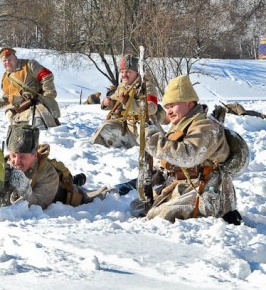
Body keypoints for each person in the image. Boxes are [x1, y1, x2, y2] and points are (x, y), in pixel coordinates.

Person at [133, 75, 240, 223]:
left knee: (159, 218)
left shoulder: (205, 126)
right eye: (167, 107)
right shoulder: (183, 125)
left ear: (189, 102)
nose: (169, 111)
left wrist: (151, 138)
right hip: (186, 185)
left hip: (208, 190)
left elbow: (188, 155)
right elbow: (172, 158)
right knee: (138, 208)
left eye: (172, 105)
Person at [5, 124, 106, 209]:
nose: (16, 161)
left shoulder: (48, 174)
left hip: (68, 197)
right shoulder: (7, 164)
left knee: (103, 195)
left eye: (22, 157)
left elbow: (38, 205)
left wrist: (23, 189)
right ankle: (76, 179)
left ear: (34, 155)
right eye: (13, 155)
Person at [90, 54, 161, 149]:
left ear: (136, 73)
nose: (124, 75)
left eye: (128, 72)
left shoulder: (147, 87)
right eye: (122, 71)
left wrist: (128, 102)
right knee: (105, 128)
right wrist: (108, 102)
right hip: (124, 126)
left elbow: (152, 108)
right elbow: (115, 101)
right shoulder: (122, 86)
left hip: (143, 127)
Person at [0, 47, 61, 129]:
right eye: (4, 60)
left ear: (16, 58)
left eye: (10, 59)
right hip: (18, 111)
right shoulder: (6, 77)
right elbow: (6, 97)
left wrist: (48, 97)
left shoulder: (29, 65)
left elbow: (47, 75)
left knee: (39, 124)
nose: (7, 62)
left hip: (36, 106)